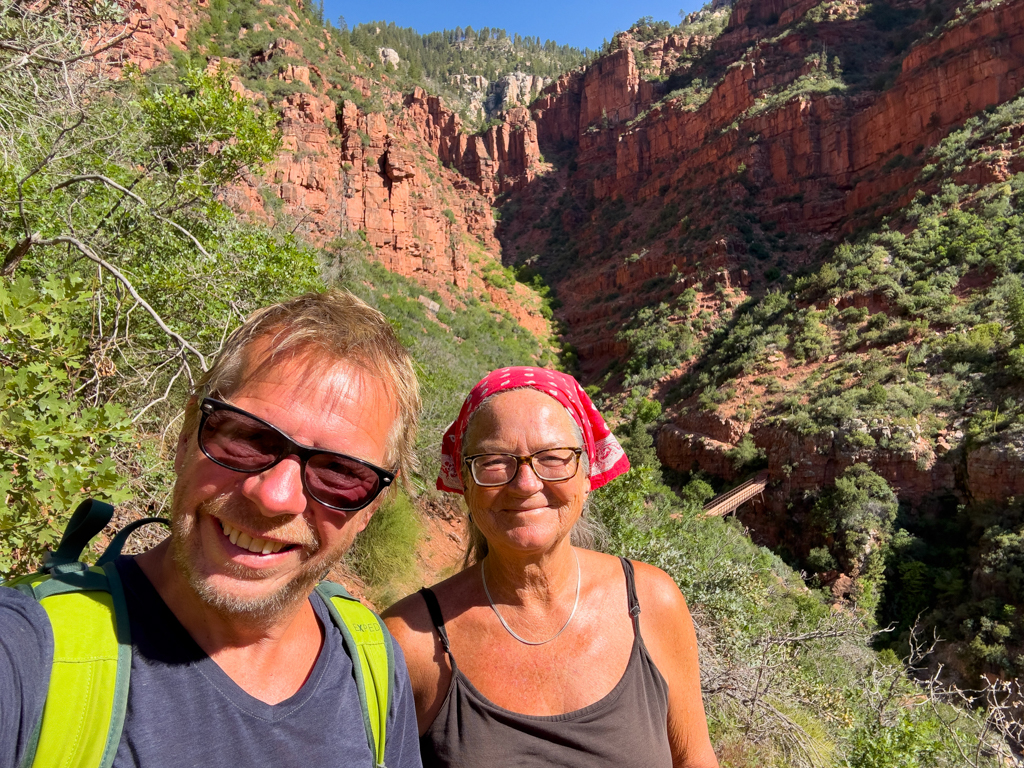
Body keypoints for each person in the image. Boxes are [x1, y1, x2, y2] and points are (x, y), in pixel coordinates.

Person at [0, 290, 424, 768]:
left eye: (341, 473)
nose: (274, 496)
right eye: (247, 437)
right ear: (186, 437)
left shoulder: (370, 663)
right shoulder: (31, 652)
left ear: (369, 508)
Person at [384, 366, 719, 768]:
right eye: (494, 461)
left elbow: (695, 759)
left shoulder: (651, 603)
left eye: (554, 457)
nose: (525, 483)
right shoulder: (410, 643)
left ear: (586, 474)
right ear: (465, 481)